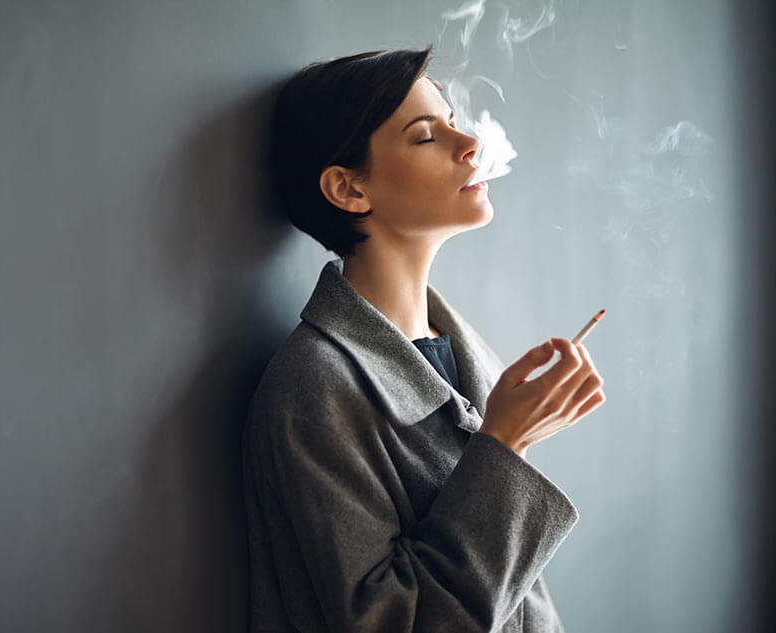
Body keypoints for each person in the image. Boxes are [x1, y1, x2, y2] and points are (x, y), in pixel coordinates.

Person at [242, 46, 606, 633]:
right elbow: (396, 621)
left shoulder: (466, 354)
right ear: (348, 189)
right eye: (424, 136)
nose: (470, 147)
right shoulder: (314, 389)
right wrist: (506, 442)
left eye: (455, 124)